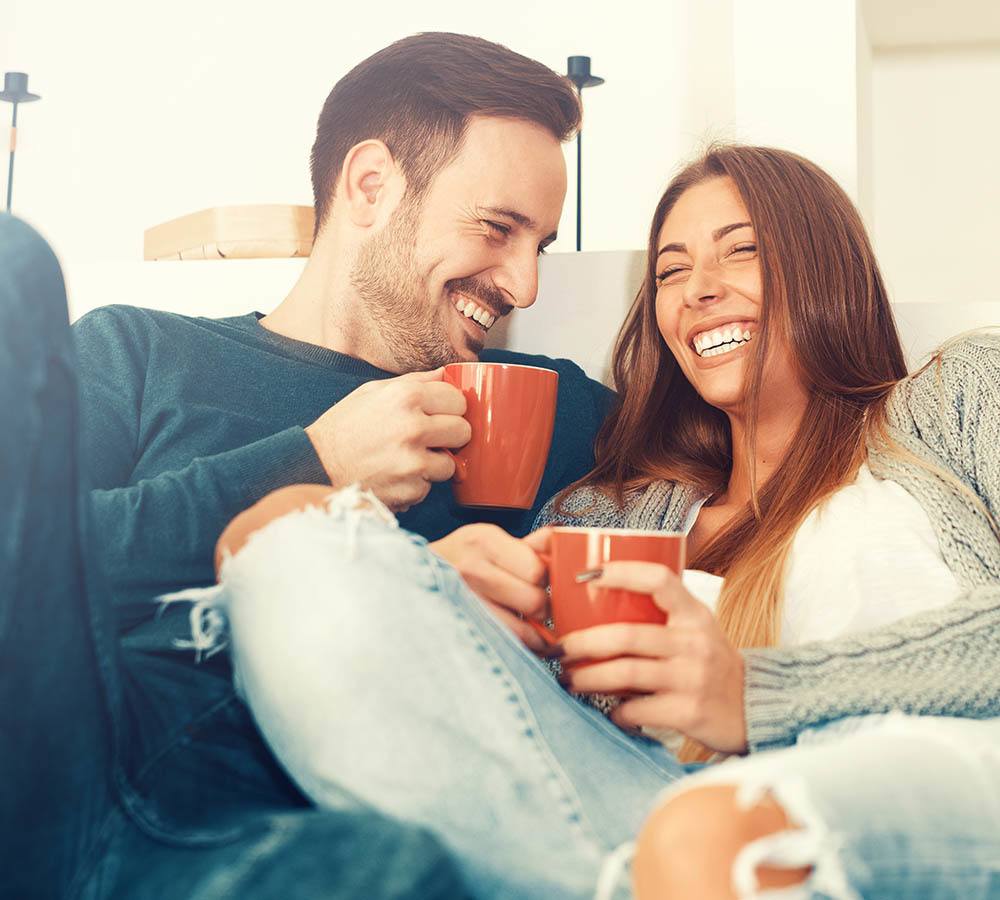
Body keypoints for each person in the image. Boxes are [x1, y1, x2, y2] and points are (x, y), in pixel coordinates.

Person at [208, 144, 1000, 899]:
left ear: (826, 265)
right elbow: (538, 741)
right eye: (672, 271)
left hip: (929, 795)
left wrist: (754, 693)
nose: (698, 289)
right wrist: (454, 601)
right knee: (281, 533)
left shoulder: (956, 395)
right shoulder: (605, 511)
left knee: (718, 837)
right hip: (654, 822)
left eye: (742, 250)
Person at [2, 33, 612, 898]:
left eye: (539, 246)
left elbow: (765, 441)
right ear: (371, 185)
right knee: (10, 264)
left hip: (285, 839)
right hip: (64, 768)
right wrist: (317, 460)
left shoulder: (531, 404)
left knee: (399, 874)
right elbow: (30, 571)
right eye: (498, 228)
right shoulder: (137, 353)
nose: (524, 284)